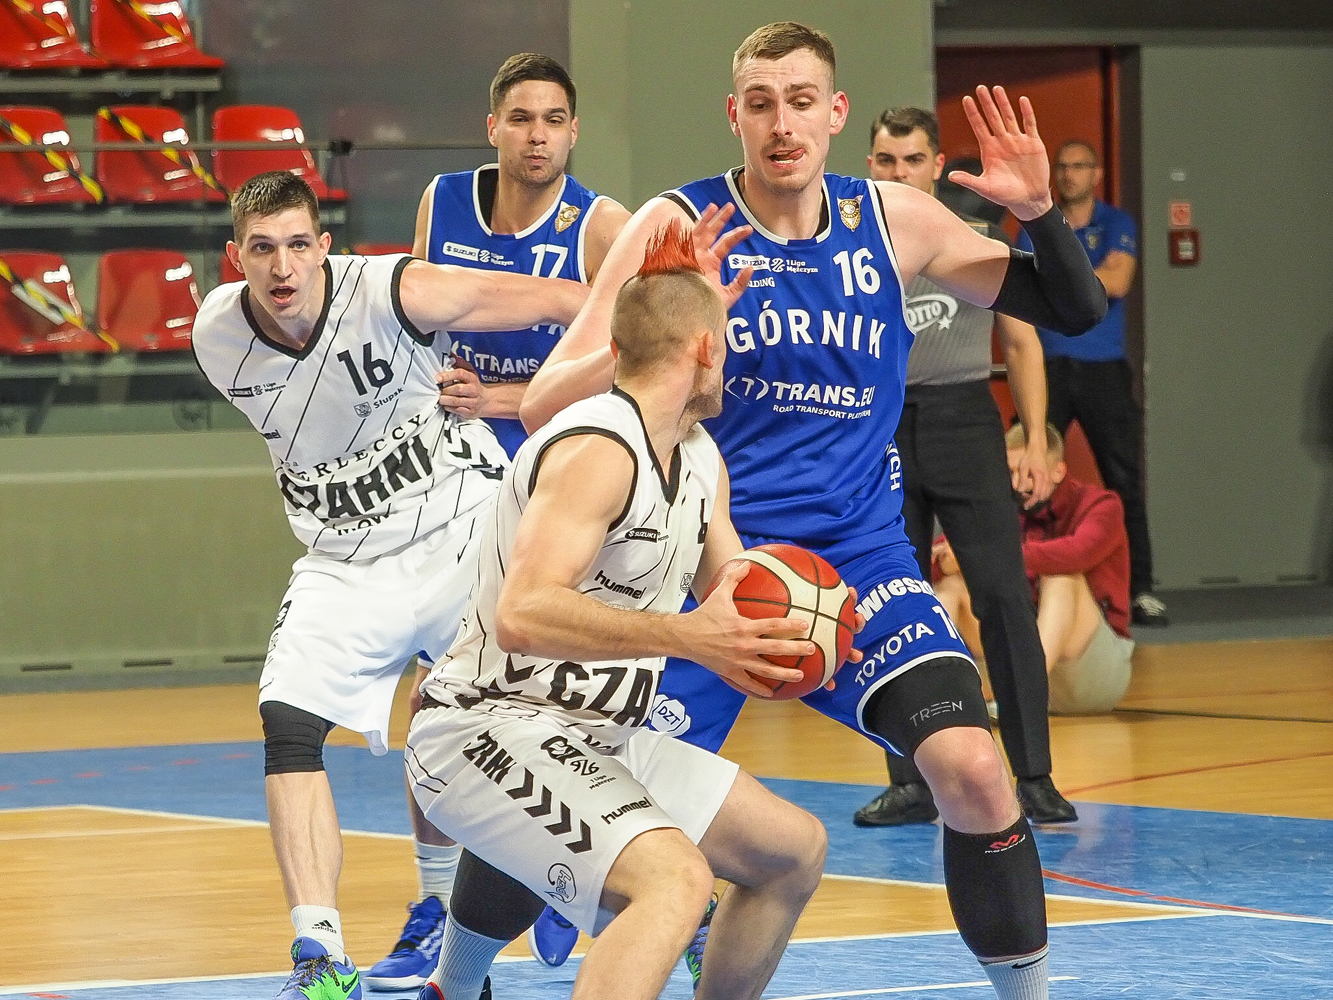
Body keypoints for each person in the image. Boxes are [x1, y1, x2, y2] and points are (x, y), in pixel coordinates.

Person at [515, 21, 1107, 1000]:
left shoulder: (895, 219)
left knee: (973, 771)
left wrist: (1040, 212)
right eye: (761, 103)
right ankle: (476, 952)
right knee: (597, 808)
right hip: (700, 568)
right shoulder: (676, 225)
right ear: (734, 115)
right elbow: (544, 402)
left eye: (800, 101)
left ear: (834, 114)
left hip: (855, 562)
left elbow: (1073, 310)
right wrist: (667, 311)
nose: (781, 123)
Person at [405, 222, 830, 1000]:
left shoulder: (697, 455)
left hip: (598, 735)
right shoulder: (597, 447)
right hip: (487, 727)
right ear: (705, 347)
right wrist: (686, 637)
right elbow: (523, 612)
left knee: (791, 851)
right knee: (674, 882)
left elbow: (733, 589)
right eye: (727, 339)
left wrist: (812, 621)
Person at [190, 169, 588, 1000]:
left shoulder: (397, 291)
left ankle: (574, 879)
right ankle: (319, 953)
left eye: (297, 245)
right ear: (235, 257)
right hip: (343, 560)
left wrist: (515, 394)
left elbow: (567, 302)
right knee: (287, 722)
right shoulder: (216, 334)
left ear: (324, 248)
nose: (282, 267)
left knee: (510, 717)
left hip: (462, 530)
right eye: (261, 249)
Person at [364, 53, 631, 989]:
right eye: (521, 118)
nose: (537, 136)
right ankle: (436, 903)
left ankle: (564, 875)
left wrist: (511, 398)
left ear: (574, 131)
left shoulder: (602, 227)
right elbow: (413, 327)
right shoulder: (443, 202)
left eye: (554, 119)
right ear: (493, 127)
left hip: (563, 476)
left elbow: (634, 359)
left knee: (562, 697)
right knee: (436, 692)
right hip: (451, 477)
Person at [853, 106, 1076, 828]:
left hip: (965, 421)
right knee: (889, 603)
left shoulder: (972, 239)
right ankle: (909, 782)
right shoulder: (850, 247)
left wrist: (1034, 440)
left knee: (1003, 596)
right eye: (886, 161)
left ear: (936, 164)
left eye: (912, 160)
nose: (899, 172)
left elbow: (1022, 344)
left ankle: (1033, 775)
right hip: (881, 428)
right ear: (869, 165)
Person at [1018, 140, 1166, 627]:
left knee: (1123, 480)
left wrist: (1061, 277)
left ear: (1096, 173)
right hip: (1049, 368)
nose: (1069, 175)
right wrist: (1086, 277)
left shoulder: (1117, 223)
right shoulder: (1037, 224)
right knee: (1024, 472)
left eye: (1079, 166)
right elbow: (1025, 287)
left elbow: (1119, 282)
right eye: (1062, 167)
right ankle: (1019, 583)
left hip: (1104, 368)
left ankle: (1141, 590)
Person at [935, 423, 1134, 713]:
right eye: (1010, 472)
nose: (1017, 484)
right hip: (1011, 664)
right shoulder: (998, 505)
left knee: (1062, 578)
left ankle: (1022, 696)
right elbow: (939, 554)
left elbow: (1077, 553)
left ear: (1058, 471)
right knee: (951, 584)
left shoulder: (1102, 506)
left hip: (1090, 675)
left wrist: (981, 555)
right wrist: (948, 562)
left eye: (1028, 473)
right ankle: (928, 694)